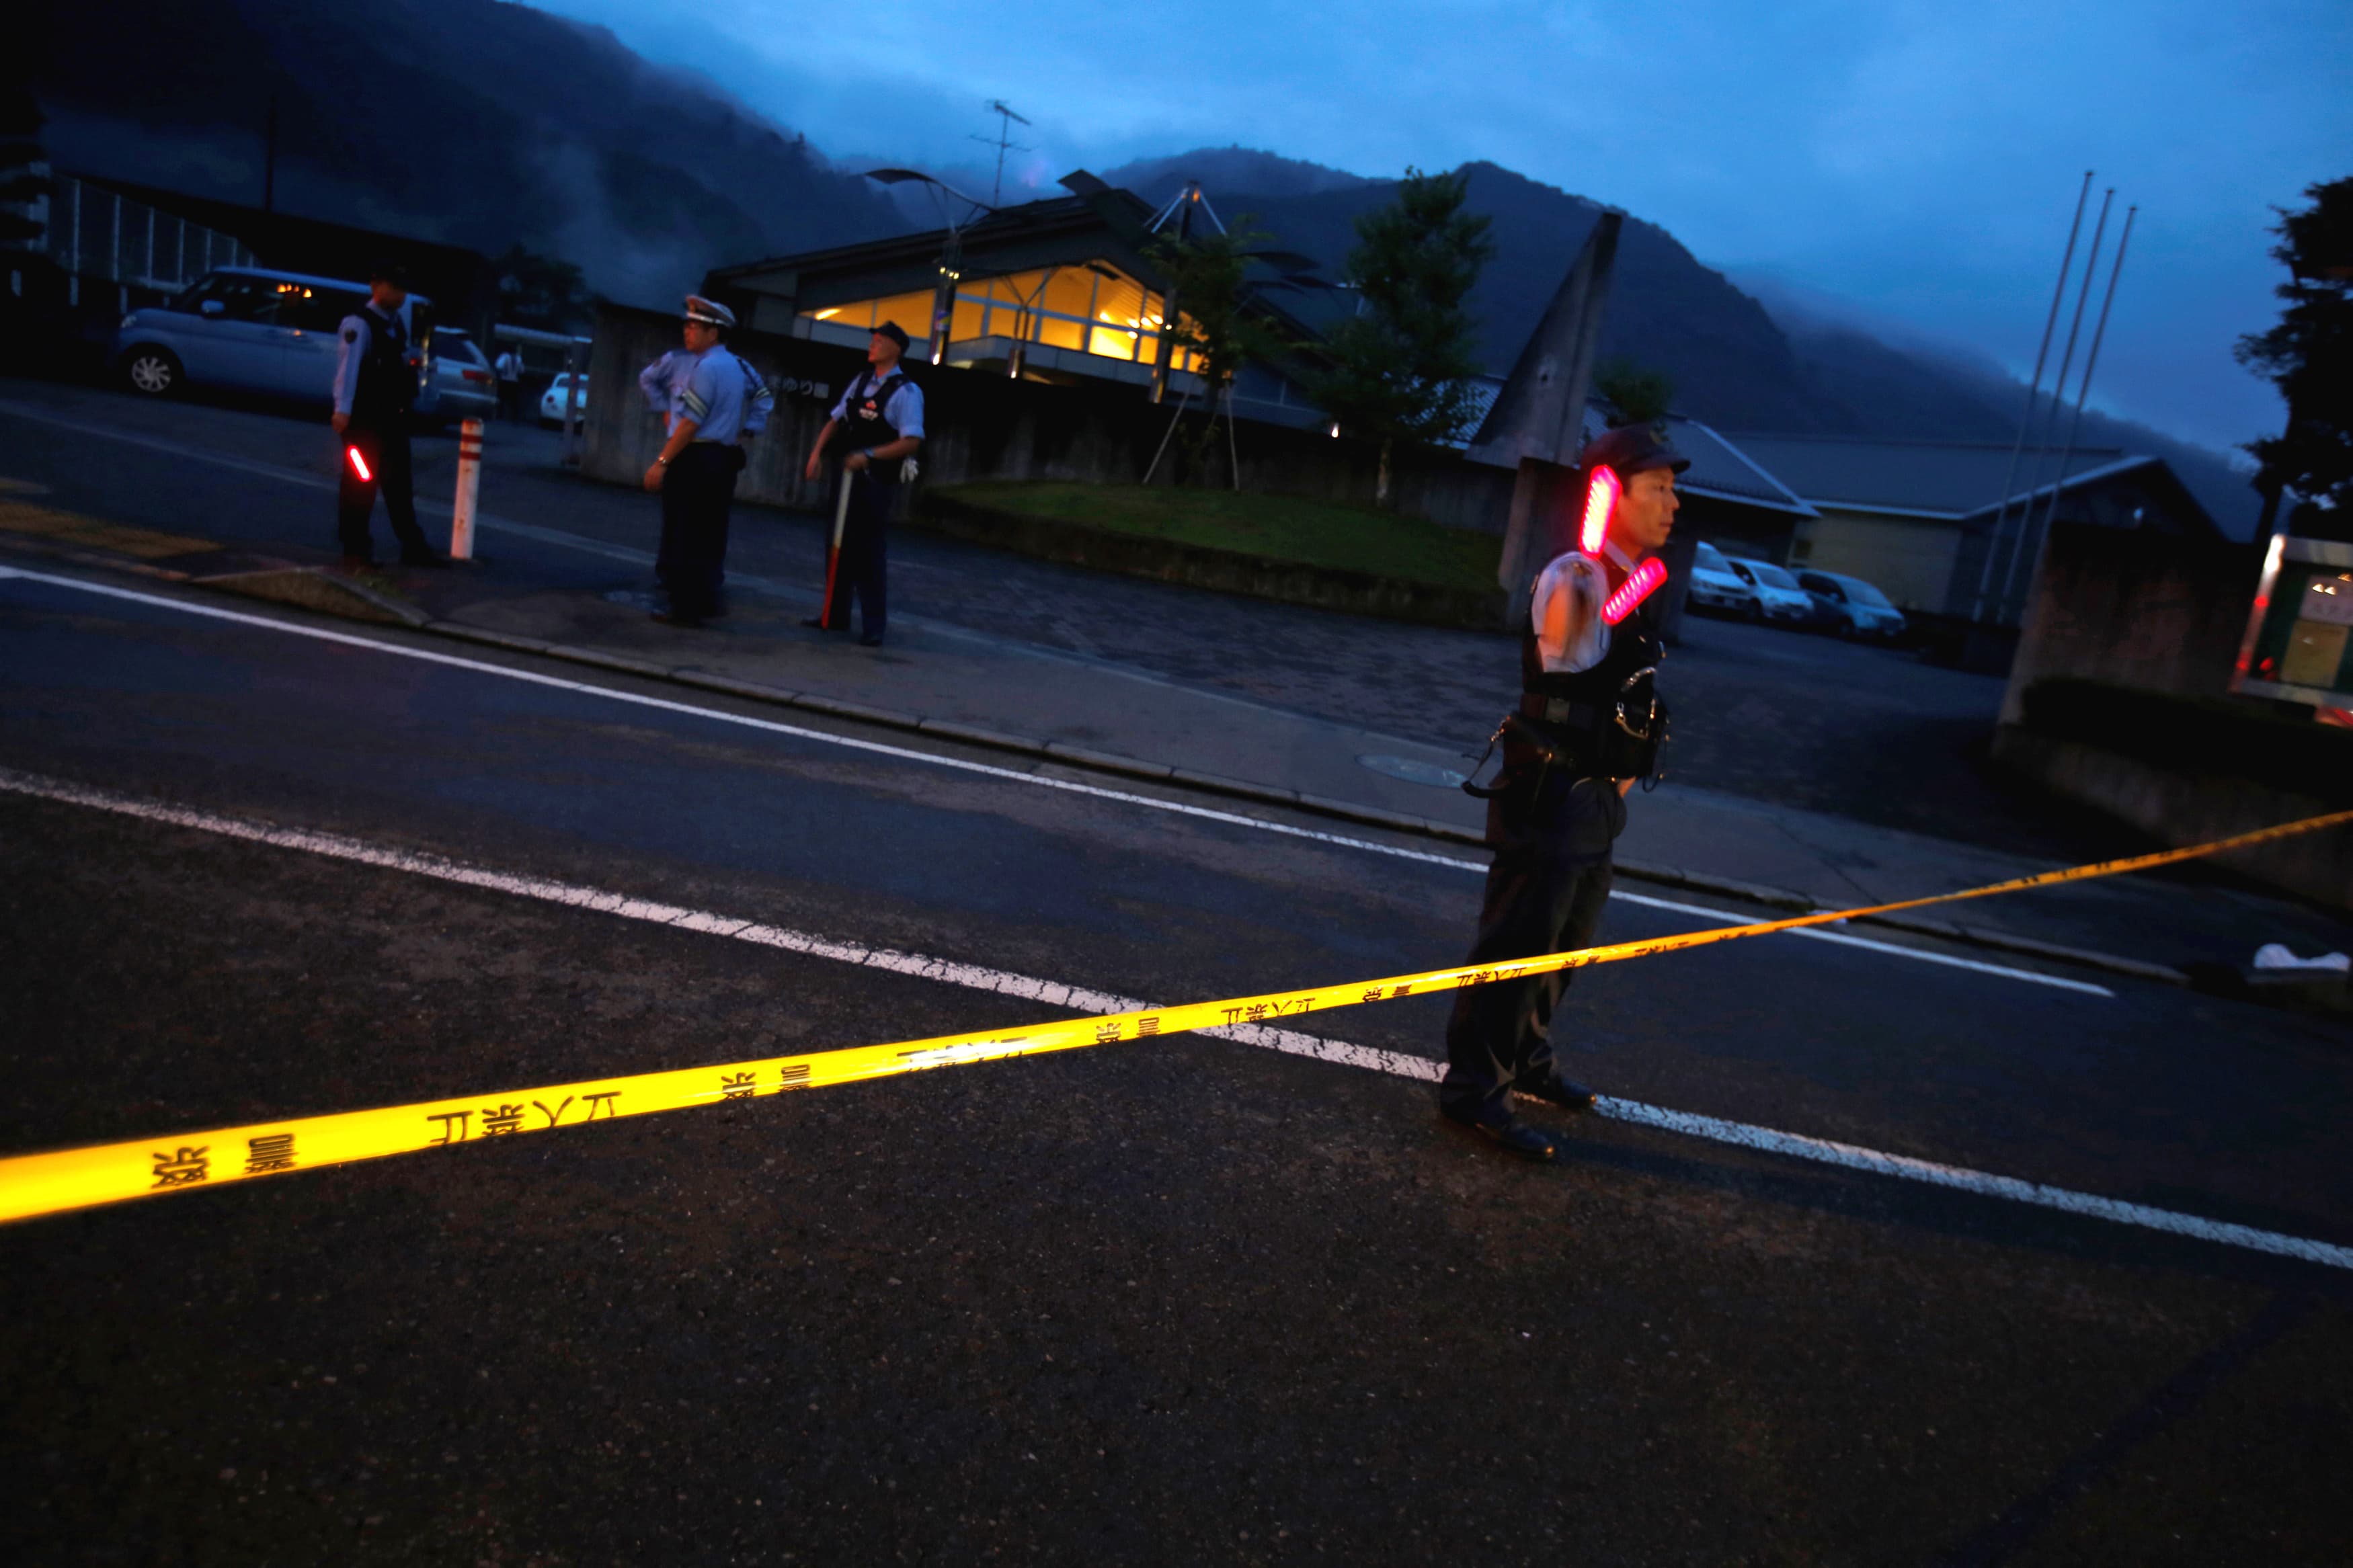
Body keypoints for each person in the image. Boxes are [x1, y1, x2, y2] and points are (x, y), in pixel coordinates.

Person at [1439, 423, 1686, 1161]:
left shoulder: (1629, 582)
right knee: (1517, 945)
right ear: (1611, 494)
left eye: (1675, 488)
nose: (1673, 504)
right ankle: (1472, 1088)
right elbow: (1564, 679)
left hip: (1597, 800)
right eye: (1658, 488)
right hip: (1552, 795)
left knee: (1566, 944)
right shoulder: (1579, 577)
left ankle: (1528, 1060)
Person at [802, 321, 924, 647]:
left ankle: (874, 626)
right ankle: (833, 614)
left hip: (875, 481)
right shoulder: (860, 381)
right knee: (836, 544)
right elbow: (836, 419)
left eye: (880, 340)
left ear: (896, 348)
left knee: (868, 552)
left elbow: (911, 441)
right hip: (846, 477)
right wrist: (816, 453)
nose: (873, 344)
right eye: (873, 339)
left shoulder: (906, 392)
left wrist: (869, 455)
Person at [641, 294, 751, 627]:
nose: (688, 333)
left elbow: (690, 422)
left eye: (696, 327)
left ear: (714, 334)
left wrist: (661, 461)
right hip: (723, 458)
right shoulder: (733, 365)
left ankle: (684, 607)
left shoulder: (707, 368)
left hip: (698, 457)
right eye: (687, 326)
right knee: (710, 534)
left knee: (686, 533)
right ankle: (705, 602)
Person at [330, 261, 444, 569]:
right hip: (364, 421)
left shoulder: (396, 325)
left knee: (399, 485)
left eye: (402, 289)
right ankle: (355, 550)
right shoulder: (360, 324)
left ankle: (413, 547)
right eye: (393, 287)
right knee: (360, 484)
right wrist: (342, 410)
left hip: (391, 419)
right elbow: (348, 370)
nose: (399, 294)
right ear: (375, 286)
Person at [493, 345, 525, 421]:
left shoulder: (505, 357)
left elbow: (499, 366)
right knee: (514, 401)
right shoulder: (518, 358)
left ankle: (499, 415)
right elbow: (522, 370)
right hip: (514, 382)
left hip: (504, 380)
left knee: (501, 398)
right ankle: (514, 417)